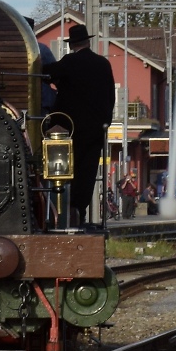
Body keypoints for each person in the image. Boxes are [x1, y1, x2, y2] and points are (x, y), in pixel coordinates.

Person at [45, 23, 116, 226]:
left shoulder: (70, 62)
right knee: (88, 171)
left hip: (72, 128)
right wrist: (105, 122)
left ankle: (66, 211)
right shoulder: (103, 64)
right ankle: (81, 211)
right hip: (95, 129)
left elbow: (48, 71)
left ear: (72, 45)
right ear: (88, 41)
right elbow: (110, 95)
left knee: (68, 169)